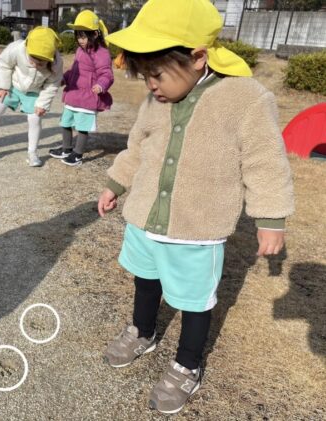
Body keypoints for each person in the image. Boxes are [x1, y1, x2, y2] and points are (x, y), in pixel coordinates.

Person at [98, 0, 294, 414]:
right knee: (145, 280)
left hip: (196, 227)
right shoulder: (156, 101)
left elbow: (265, 160)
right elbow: (138, 146)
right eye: (145, 76)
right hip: (145, 218)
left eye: (156, 75)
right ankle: (143, 331)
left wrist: (271, 218)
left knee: (193, 300)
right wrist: (116, 183)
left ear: (198, 57)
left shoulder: (244, 98)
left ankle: (187, 364)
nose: (151, 86)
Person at [0, 26, 63, 167]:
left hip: (34, 92)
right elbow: (3, 63)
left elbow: (52, 85)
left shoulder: (56, 63)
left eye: (41, 63)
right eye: (32, 60)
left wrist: (42, 104)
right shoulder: (17, 48)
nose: (36, 65)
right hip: (14, 86)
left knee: (35, 118)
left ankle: (32, 152)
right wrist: (2, 86)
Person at [49, 10, 114, 167]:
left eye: (83, 36)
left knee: (82, 127)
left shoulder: (102, 53)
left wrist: (101, 85)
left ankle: (77, 154)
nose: (80, 40)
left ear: (95, 34)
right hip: (74, 93)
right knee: (65, 122)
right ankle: (66, 148)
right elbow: (74, 70)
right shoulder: (79, 50)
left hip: (88, 96)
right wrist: (64, 78)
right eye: (78, 36)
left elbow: (107, 74)